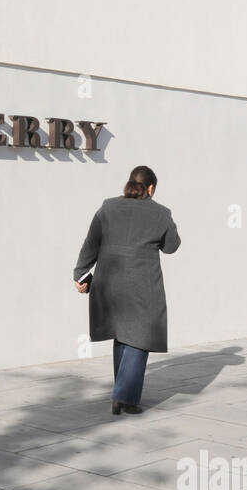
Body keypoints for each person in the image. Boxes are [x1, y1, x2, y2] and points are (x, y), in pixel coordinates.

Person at [73, 165, 181, 415]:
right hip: (143, 286)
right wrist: (167, 220)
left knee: (123, 335)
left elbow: (91, 242)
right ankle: (122, 395)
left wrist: (80, 273)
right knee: (139, 339)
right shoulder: (161, 213)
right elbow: (171, 247)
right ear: (151, 188)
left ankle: (126, 398)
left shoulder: (108, 207)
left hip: (108, 284)